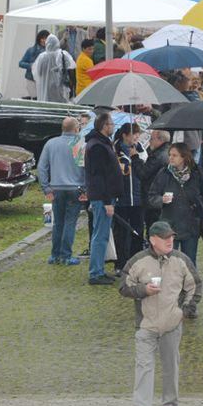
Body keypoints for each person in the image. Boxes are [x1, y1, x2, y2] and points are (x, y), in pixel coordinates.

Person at [120, 221, 200, 406]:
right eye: (165, 238)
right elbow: (124, 287)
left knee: (171, 366)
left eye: (171, 236)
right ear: (153, 240)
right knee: (144, 367)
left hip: (172, 324)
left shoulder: (181, 260)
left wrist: (184, 312)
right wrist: (143, 290)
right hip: (145, 325)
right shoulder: (138, 261)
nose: (170, 240)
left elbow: (195, 285)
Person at [147, 143, 203, 270]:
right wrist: (161, 200)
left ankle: (190, 283)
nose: (171, 158)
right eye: (170, 155)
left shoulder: (197, 173)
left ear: (184, 157)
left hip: (191, 226)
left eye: (175, 155)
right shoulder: (164, 173)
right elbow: (151, 197)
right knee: (167, 263)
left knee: (189, 263)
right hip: (169, 226)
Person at [38, 117, 85, 266]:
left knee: (58, 222)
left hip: (56, 188)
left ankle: (55, 254)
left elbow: (42, 167)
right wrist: (85, 189)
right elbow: (85, 168)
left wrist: (46, 187)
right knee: (70, 222)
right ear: (76, 129)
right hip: (75, 188)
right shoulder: (79, 144)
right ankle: (66, 255)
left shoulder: (51, 144)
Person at [84, 111, 121, 285]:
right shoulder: (97, 146)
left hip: (105, 196)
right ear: (105, 126)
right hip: (102, 197)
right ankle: (95, 272)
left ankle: (99, 269)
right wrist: (107, 201)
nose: (113, 126)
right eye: (111, 124)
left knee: (103, 234)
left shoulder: (102, 143)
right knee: (100, 235)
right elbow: (99, 176)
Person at [114, 123, 145, 273]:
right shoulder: (115, 150)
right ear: (125, 135)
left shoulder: (141, 150)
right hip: (122, 198)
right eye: (134, 133)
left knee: (137, 231)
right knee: (121, 232)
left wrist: (136, 157)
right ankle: (121, 263)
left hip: (138, 198)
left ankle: (136, 262)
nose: (137, 136)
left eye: (138, 133)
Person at [140, 130, 170, 231]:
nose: (149, 141)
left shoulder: (157, 156)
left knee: (154, 228)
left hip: (154, 196)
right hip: (163, 196)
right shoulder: (169, 152)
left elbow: (143, 173)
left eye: (152, 139)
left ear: (160, 140)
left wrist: (135, 158)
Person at [31, 34, 75, 103]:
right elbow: (71, 66)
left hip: (45, 87)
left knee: (46, 104)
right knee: (60, 104)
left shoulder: (42, 57)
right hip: (59, 86)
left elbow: (37, 73)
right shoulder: (62, 54)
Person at [18, 30, 49, 98]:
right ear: (39, 39)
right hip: (31, 79)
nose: (44, 41)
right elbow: (21, 63)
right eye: (43, 38)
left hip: (43, 80)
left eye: (46, 39)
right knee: (35, 98)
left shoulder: (50, 52)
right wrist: (31, 66)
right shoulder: (30, 50)